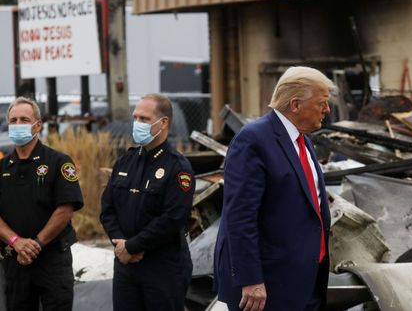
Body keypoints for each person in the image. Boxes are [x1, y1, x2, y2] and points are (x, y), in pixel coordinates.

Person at [214, 66, 335, 311]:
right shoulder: (254, 139)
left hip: (305, 280)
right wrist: (250, 279)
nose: (327, 109)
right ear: (295, 104)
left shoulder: (304, 142)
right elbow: (240, 215)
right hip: (267, 287)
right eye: (322, 102)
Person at [100, 93, 194, 311]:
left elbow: (173, 218)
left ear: (163, 123)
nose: (137, 124)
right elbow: (107, 209)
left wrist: (133, 246)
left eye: (144, 119)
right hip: (126, 266)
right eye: (135, 118)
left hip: (162, 267)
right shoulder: (125, 162)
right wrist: (121, 245)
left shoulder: (177, 167)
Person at [0, 97, 84, 311]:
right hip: (15, 261)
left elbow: (65, 209)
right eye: (13, 120)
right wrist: (16, 241)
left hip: (52, 260)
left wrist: (36, 244)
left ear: (38, 125)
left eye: (24, 119)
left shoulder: (59, 162)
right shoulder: (3, 166)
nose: (18, 124)